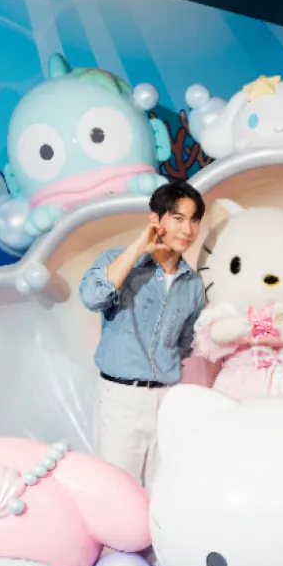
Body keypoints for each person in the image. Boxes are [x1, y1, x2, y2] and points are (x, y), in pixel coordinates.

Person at [78, 181, 207, 489]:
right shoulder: (117, 261)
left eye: (194, 220)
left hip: (167, 398)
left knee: (162, 490)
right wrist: (138, 247)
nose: (187, 229)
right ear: (155, 219)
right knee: (117, 490)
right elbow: (93, 297)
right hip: (121, 397)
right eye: (177, 218)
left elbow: (185, 342)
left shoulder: (193, 284)